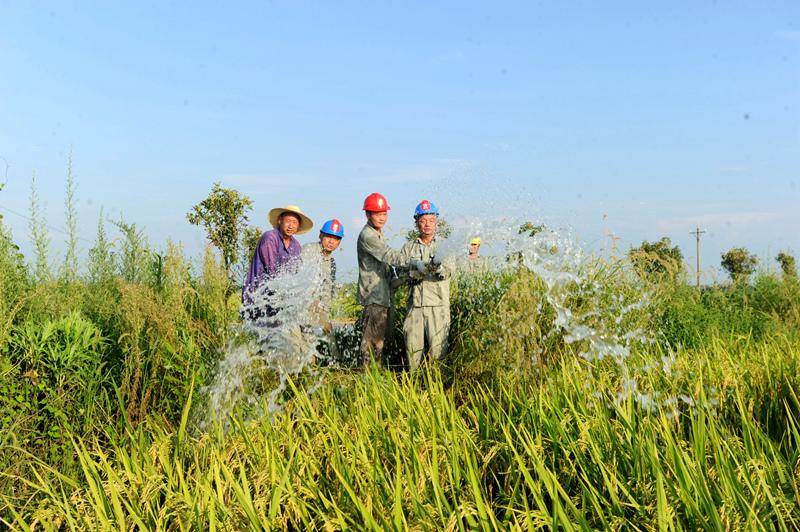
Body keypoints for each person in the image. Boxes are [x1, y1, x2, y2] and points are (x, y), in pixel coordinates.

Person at [356, 192, 414, 367]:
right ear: (367, 214)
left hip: (382, 295)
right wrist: (414, 262)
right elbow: (389, 256)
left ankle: (375, 376)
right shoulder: (368, 235)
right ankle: (367, 381)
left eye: (384, 214)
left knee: (380, 341)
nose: (382, 218)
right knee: (371, 343)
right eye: (377, 213)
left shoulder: (378, 233)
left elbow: (388, 268)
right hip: (374, 296)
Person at [399, 200, 450, 370]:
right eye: (422, 221)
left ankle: (438, 389)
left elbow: (448, 272)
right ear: (417, 223)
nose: (427, 224)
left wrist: (438, 268)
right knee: (412, 353)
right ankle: (412, 388)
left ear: (436, 222)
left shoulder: (445, 245)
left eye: (430, 220)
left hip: (438, 306)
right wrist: (414, 273)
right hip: (415, 307)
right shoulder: (408, 248)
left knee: (439, 354)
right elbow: (400, 274)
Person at [242, 204, 313, 319]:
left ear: (298, 226)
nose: (291, 226)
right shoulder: (270, 237)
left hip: (278, 299)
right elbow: (272, 269)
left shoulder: (296, 246)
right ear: (280, 221)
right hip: (257, 295)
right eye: (288, 221)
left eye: (294, 223)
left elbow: (294, 273)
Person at [302, 218, 344, 324]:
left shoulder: (332, 262)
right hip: (302, 305)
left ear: (339, 242)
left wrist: (325, 314)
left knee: (327, 335)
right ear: (320, 235)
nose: (331, 241)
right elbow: (299, 280)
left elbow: (328, 289)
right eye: (328, 236)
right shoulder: (309, 250)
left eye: (336, 238)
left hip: (318, 308)